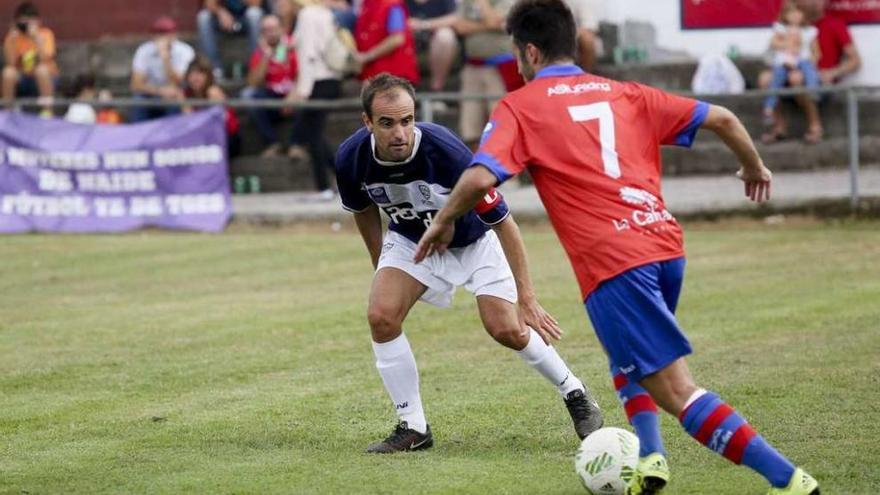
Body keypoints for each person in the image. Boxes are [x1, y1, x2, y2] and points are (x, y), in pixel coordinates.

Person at [415, 1, 819, 493]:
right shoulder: (625, 92)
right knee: (626, 358)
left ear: (532, 52)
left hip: (614, 262)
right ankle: (651, 460)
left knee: (676, 391)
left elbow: (480, 177)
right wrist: (754, 168)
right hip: (664, 246)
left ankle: (791, 481)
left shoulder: (522, 105)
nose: (518, 65)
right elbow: (725, 119)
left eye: (517, 55)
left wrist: (442, 218)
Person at [336, 73, 603, 453]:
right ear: (367, 123)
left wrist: (526, 298)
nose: (400, 132)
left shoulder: (447, 152)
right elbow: (361, 209)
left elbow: (505, 224)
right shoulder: (351, 157)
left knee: (505, 329)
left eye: (407, 120)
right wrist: (380, 262)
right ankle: (413, 427)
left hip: (473, 242)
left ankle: (574, 391)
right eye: (387, 123)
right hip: (413, 241)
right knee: (381, 315)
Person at [760, 0, 862, 144]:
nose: (814, 2)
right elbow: (773, 51)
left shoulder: (834, 24)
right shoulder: (786, 27)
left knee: (797, 78)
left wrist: (832, 73)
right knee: (765, 78)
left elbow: (855, 61)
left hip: (816, 79)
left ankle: (815, 126)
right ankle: (779, 126)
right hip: (788, 73)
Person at [288, 0, 345, 197]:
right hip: (330, 80)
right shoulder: (324, 13)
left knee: (313, 135)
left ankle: (324, 188)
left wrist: (303, 90)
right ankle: (345, 179)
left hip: (317, 81)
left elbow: (309, 55)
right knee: (315, 134)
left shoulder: (307, 15)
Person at [453, 0, 522, 149]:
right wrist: (489, 25)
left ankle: (505, 171)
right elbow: (460, 27)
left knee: (501, 126)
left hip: (501, 68)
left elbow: (495, 22)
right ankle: (478, 167)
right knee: (471, 128)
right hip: (472, 67)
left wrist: (482, 4)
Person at [762, 2, 821, 142]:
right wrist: (787, 43)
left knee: (800, 77)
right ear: (784, 15)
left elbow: (816, 53)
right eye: (791, 13)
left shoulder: (809, 31)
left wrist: (808, 63)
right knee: (768, 79)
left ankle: (815, 120)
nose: (795, 16)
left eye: (798, 12)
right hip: (784, 64)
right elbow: (773, 44)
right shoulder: (780, 30)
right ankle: (774, 119)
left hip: (802, 64)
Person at [241, 14, 299, 156]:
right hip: (273, 99)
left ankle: (297, 145)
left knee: (308, 95)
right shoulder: (260, 52)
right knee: (247, 95)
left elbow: (303, 74)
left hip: (295, 95)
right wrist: (266, 56)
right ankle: (272, 143)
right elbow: (253, 83)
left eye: (273, 29)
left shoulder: (294, 45)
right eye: (266, 30)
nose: (271, 33)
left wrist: (293, 94)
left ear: (281, 29)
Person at [129, 16, 195, 122]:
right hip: (152, 93)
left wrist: (165, 59)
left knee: (175, 99)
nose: (163, 38)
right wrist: (160, 91)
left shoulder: (185, 51)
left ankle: (171, 137)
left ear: (174, 35)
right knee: (138, 100)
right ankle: (139, 135)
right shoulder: (143, 51)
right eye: (159, 34)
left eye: (166, 33)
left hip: (176, 93)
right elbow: (135, 84)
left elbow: (179, 82)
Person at [2, 1, 57, 117]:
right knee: (8, 73)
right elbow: (11, 64)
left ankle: (47, 111)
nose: (26, 25)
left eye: (29, 21)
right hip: (22, 79)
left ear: (38, 21)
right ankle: (8, 112)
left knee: (41, 70)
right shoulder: (12, 37)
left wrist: (36, 38)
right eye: (23, 22)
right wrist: (13, 41)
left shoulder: (45, 34)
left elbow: (46, 58)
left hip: (45, 79)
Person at [182, 56, 242, 159]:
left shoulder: (214, 92)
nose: (195, 78)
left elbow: (218, 125)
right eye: (191, 74)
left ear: (208, 76)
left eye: (199, 74)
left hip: (227, 138)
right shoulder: (186, 94)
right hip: (202, 139)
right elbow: (188, 123)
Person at [197, 0, 267, 79]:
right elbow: (209, 4)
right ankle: (215, 69)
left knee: (254, 13)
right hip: (223, 19)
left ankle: (256, 65)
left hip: (246, 19)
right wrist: (221, 12)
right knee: (203, 17)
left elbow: (256, 3)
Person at [354, 0, 420, 84]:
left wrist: (367, 56)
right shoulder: (367, 3)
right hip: (372, 69)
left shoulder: (392, 5)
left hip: (394, 73)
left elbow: (397, 39)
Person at [407, 0, 459, 94]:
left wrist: (423, 24)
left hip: (434, 44)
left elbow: (455, 18)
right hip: (407, 44)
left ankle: (436, 90)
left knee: (445, 35)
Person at [563, 0, 602, 71]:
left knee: (587, 39)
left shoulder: (581, 2)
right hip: (544, 37)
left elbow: (588, 29)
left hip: (570, 38)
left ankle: (584, 76)